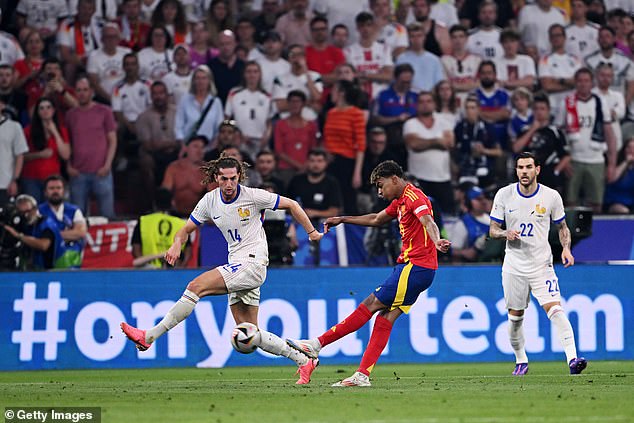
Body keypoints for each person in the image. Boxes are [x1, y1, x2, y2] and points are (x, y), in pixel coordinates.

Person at [121, 153, 324, 385]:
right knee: (248, 332)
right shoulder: (209, 200)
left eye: (233, 179)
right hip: (236, 264)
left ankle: (149, 336)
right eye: (224, 179)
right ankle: (303, 360)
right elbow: (186, 229)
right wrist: (177, 243)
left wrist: (311, 232)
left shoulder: (254, 196)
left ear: (240, 177)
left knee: (195, 286)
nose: (229, 184)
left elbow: (292, 204)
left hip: (253, 263)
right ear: (216, 178)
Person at [286, 159, 451, 386]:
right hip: (417, 269)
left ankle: (317, 344)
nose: (380, 191)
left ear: (395, 179)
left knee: (371, 303)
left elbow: (428, 221)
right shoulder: (400, 201)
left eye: (381, 185)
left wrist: (437, 240)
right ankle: (362, 375)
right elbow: (376, 218)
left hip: (415, 267)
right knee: (385, 318)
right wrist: (343, 219)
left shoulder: (415, 198)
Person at [489, 151, 587, 376]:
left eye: (528, 167)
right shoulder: (504, 195)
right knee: (515, 318)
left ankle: (573, 359)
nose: (524, 171)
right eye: (520, 168)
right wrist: (505, 233)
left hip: (541, 264)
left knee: (555, 308)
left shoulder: (551, 196)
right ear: (516, 170)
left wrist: (566, 249)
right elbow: (492, 230)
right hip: (514, 265)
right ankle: (521, 360)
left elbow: (562, 227)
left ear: (537, 170)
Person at [564, 67, 617, 213]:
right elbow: (560, 133)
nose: (583, 84)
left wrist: (611, 164)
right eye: (580, 81)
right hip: (574, 159)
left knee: (596, 204)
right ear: (575, 82)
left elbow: (609, 134)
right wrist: (564, 159)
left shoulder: (600, 103)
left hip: (596, 160)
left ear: (591, 83)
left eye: (586, 81)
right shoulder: (568, 103)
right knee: (570, 202)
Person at [65, 76, 117, 218]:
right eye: (79, 90)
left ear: (92, 92)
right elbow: (66, 142)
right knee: (77, 218)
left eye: (85, 90)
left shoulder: (104, 111)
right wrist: (68, 166)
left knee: (107, 215)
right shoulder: (70, 115)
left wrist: (107, 165)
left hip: (101, 171)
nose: (82, 93)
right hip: (78, 173)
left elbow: (112, 140)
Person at [403, 91, 455, 215]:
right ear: (416, 105)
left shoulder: (444, 122)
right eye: (421, 102)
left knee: (447, 217)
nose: (425, 104)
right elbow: (414, 144)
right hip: (418, 180)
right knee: (420, 217)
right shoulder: (410, 124)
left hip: (442, 178)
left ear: (434, 104)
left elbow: (449, 143)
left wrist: (424, 142)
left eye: (428, 101)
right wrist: (437, 141)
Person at [323, 79, 367, 214]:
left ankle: (350, 232)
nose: (331, 93)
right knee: (330, 199)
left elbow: (360, 145)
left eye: (334, 90)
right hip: (329, 162)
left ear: (342, 93)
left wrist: (357, 173)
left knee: (348, 200)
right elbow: (327, 138)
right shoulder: (331, 113)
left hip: (347, 162)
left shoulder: (356, 113)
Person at [512, 93, 570, 193]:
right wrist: (533, 129)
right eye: (536, 109)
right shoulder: (525, 130)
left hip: (549, 178)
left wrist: (555, 172)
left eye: (542, 109)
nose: (539, 112)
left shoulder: (555, 132)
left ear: (548, 111)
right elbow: (516, 148)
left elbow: (566, 156)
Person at [21, 98, 72, 203]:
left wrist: (55, 132)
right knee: (34, 213)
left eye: (48, 107)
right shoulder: (27, 131)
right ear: (38, 112)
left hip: (53, 179)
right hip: (31, 178)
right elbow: (21, 157)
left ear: (53, 110)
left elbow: (66, 155)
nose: (45, 110)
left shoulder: (62, 131)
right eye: (42, 108)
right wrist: (39, 155)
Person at [131, 187, 190, 268]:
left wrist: (144, 267)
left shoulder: (143, 221)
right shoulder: (181, 223)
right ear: (172, 203)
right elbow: (188, 250)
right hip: (173, 271)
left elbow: (136, 249)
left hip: (148, 271)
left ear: (154, 203)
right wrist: (180, 268)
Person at [225, 61, 273, 160]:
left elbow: (269, 121)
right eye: (249, 72)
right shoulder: (234, 93)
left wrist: (267, 136)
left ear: (260, 75)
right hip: (241, 140)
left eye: (255, 72)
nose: (252, 75)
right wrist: (236, 133)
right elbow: (227, 119)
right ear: (244, 74)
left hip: (260, 141)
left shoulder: (267, 95)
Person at [2, 194, 64, 270]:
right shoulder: (24, 223)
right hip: (32, 268)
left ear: (35, 209)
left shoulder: (47, 224)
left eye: (28, 211)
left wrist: (19, 236)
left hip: (53, 269)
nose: (25, 215)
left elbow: (43, 245)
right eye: (21, 212)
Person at [39, 175, 87, 269]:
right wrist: (68, 234)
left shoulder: (74, 210)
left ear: (63, 191)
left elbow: (80, 232)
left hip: (70, 257)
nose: (55, 191)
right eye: (51, 188)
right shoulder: (39, 211)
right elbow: (37, 237)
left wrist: (51, 236)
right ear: (45, 192)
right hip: (45, 259)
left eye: (58, 188)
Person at [344, 12, 394, 100]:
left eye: (368, 25)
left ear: (373, 27)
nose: (365, 29)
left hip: (381, 97)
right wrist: (378, 75)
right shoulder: (348, 51)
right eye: (362, 26)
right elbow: (351, 77)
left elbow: (389, 76)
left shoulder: (384, 49)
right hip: (358, 97)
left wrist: (365, 75)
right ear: (357, 28)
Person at [273, 90, 319, 184]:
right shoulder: (280, 124)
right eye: (292, 101)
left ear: (303, 104)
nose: (295, 104)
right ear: (288, 104)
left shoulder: (311, 125)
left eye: (298, 101)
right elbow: (279, 151)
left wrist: (306, 165)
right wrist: (298, 166)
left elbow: (313, 148)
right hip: (286, 169)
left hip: (307, 168)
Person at [174, 65, 224, 147]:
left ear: (209, 81)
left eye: (204, 78)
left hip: (209, 147)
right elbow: (178, 126)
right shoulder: (185, 100)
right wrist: (183, 146)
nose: (200, 81)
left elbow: (219, 128)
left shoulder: (216, 102)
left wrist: (212, 147)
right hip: (188, 146)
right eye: (198, 78)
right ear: (193, 80)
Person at [161, 135, 208, 217]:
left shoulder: (208, 171)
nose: (199, 151)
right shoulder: (174, 168)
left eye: (202, 147)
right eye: (195, 146)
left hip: (197, 216)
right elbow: (165, 193)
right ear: (186, 148)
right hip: (174, 214)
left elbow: (213, 197)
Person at [87, 23, 131, 103]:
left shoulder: (126, 53)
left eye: (114, 36)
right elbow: (94, 83)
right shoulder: (94, 56)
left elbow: (133, 76)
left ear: (118, 39)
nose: (111, 39)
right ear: (102, 39)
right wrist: (111, 99)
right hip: (103, 99)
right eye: (108, 37)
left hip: (126, 97)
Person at [395, 22, 445, 94]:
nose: (416, 39)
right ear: (408, 38)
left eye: (419, 36)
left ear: (424, 37)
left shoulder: (434, 59)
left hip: (430, 98)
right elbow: (397, 82)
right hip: (409, 97)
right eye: (412, 36)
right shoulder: (401, 59)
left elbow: (439, 82)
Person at [441, 24, 482, 107]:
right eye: (454, 37)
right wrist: (468, 85)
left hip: (473, 103)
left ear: (466, 39)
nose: (458, 40)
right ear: (450, 39)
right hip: (452, 103)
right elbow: (446, 85)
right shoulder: (444, 60)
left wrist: (456, 86)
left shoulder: (477, 60)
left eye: (461, 36)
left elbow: (479, 84)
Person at [450, 186, 492, 262]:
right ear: (468, 202)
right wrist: (464, 253)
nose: (484, 201)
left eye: (484, 198)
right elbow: (453, 251)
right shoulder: (463, 223)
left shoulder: (493, 219)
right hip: (474, 266)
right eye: (478, 199)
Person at [0, 99, 29, 206]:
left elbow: (19, 155)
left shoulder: (14, 127)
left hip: (5, 183)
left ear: (2, 105)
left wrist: (15, 180)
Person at [207, 30, 245, 105]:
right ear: (217, 46)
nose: (225, 47)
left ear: (235, 44)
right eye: (222, 44)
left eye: (228, 43)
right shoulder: (210, 67)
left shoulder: (244, 67)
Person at [604, 137, 634, 214]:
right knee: (624, 211)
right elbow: (612, 179)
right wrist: (626, 162)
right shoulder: (614, 165)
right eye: (629, 147)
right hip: (614, 203)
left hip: (631, 204)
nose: (631, 150)